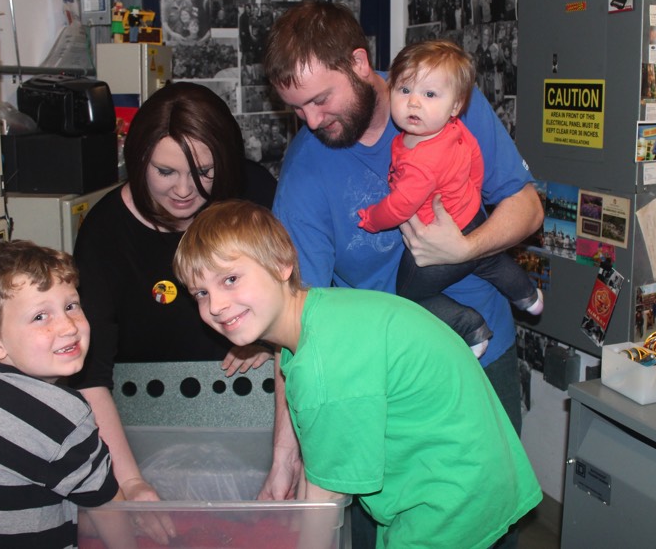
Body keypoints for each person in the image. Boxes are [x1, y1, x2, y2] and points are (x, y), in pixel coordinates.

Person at [264, 1, 542, 549]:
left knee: (488, 526)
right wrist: (286, 452)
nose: (313, 122)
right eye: (297, 110)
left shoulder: (439, 92)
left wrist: (464, 246)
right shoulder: (303, 175)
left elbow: (527, 208)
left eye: (321, 99)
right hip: (381, 385)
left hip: (478, 356)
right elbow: (300, 323)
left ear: (360, 63)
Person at [174, 201, 543, 548]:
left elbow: (324, 501)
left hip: (451, 495)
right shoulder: (313, 320)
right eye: (201, 293)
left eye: (230, 279)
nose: (216, 306)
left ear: (282, 264)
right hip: (445, 475)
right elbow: (316, 468)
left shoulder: (326, 361)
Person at [68, 83, 277, 510]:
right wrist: (131, 481)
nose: (185, 190)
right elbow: (89, 374)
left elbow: (297, 297)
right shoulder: (105, 231)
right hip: (145, 422)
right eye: (166, 172)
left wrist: (269, 339)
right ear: (137, 161)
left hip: (252, 412)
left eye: (203, 171)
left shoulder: (254, 190)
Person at [0, 240, 141, 549]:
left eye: (71, 306)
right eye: (40, 317)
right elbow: (110, 513)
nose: (68, 327)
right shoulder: (63, 416)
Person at [356, 40, 544, 356]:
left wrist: (371, 219)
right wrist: (470, 195)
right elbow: (475, 160)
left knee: (408, 295)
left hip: (440, 244)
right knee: (486, 259)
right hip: (472, 217)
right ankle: (528, 295)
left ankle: (470, 327)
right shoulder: (455, 129)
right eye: (404, 91)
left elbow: (400, 206)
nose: (414, 103)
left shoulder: (421, 161)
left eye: (429, 95)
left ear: (455, 105)